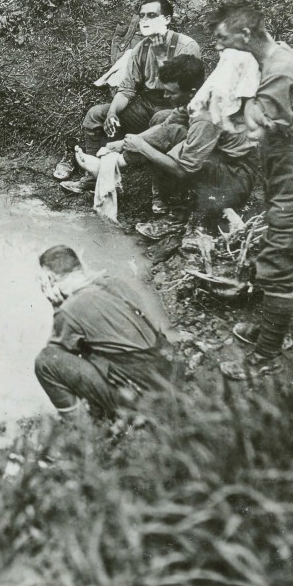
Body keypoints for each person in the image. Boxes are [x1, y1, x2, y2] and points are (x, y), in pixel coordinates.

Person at [208, 3, 293, 380]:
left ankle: (266, 356)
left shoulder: (279, 72)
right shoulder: (281, 55)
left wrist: (221, 116)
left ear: (244, 34)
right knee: (278, 248)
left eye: (221, 38)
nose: (217, 45)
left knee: (279, 261)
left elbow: (257, 130)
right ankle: (271, 330)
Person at [71, 54, 261, 238]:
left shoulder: (206, 115)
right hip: (220, 160)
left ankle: (175, 218)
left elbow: (183, 170)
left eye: (171, 92)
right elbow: (165, 126)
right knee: (165, 121)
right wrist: (121, 144)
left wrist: (143, 147)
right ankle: (112, 165)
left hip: (233, 179)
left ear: (191, 92)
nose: (165, 95)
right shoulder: (197, 98)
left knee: (173, 144)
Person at [57, 0, 201, 192]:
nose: (145, 21)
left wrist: (160, 52)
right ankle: (93, 177)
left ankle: (158, 192)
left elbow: (184, 88)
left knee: (161, 118)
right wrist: (112, 113)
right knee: (95, 114)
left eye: (152, 15)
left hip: (173, 107)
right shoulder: (140, 48)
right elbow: (127, 88)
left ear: (167, 19)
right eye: (142, 16)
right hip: (146, 104)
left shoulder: (186, 45)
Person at [33, 245, 171, 426]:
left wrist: (57, 307)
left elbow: (61, 356)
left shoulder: (70, 309)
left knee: (45, 362)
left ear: (50, 278)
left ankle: (82, 432)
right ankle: (103, 410)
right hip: (167, 379)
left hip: (142, 397)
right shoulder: (114, 283)